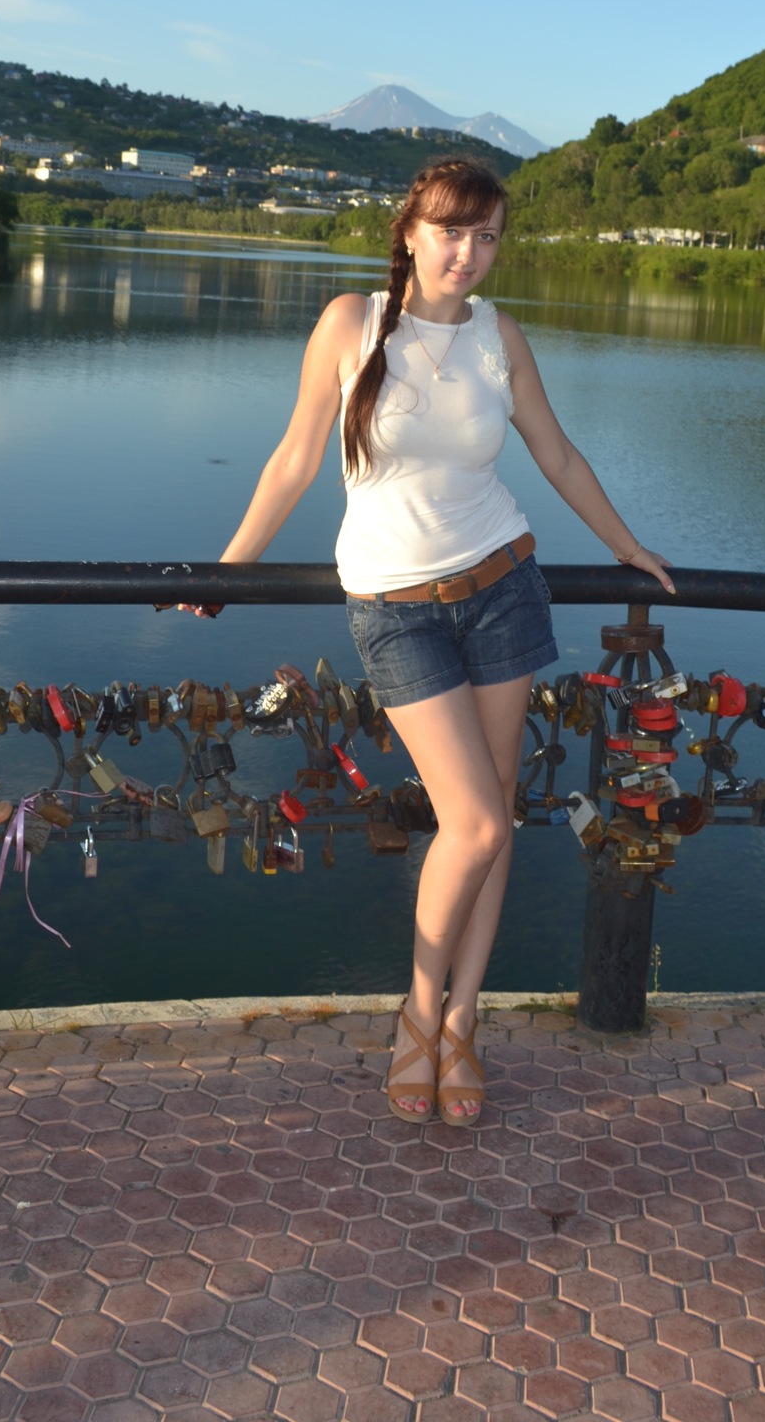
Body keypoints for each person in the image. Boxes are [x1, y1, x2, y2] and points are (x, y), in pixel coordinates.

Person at [182, 156, 673, 1125]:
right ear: (408, 231)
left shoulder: (500, 336)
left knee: (496, 814)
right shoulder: (351, 324)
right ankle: (416, 1011)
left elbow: (556, 453)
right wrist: (229, 568)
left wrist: (627, 547)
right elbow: (295, 455)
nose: (468, 253)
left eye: (487, 236)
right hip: (396, 608)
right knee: (475, 821)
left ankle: (462, 1020)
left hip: (504, 588)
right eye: (451, 231)